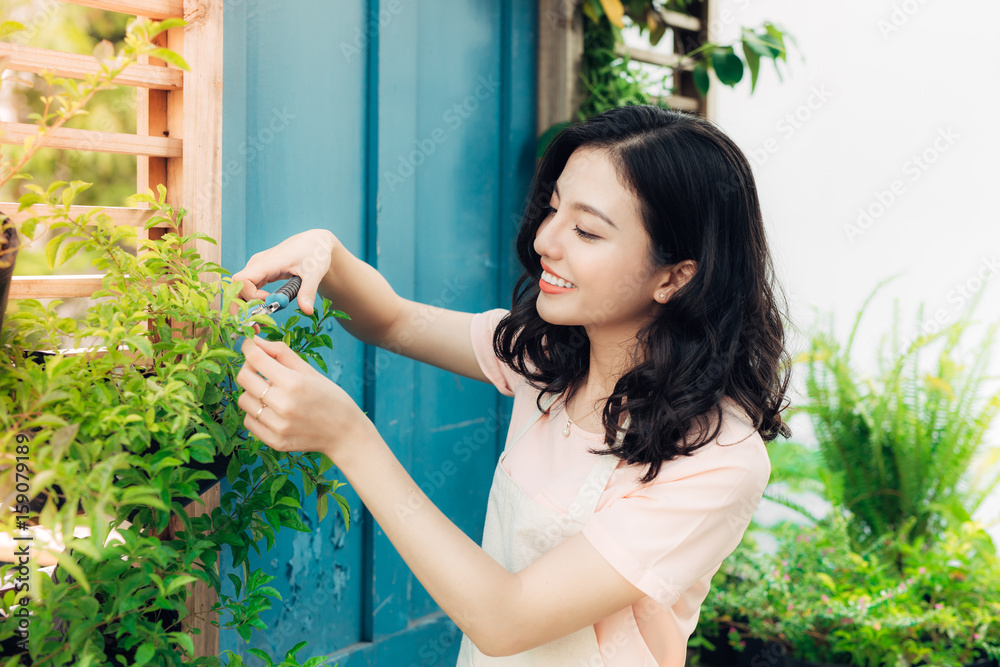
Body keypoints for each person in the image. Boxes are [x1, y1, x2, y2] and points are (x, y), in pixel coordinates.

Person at [230, 104, 792, 666]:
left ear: (674, 277)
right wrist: (325, 254)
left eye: (587, 230)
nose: (546, 240)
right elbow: (394, 321)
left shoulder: (718, 459)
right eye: (552, 209)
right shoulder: (551, 355)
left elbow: (506, 620)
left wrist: (349, 439)